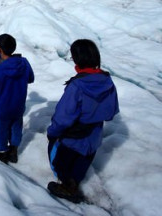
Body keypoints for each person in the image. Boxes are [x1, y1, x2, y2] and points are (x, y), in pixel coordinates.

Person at [46, 39, 119, 203]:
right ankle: (74, 182)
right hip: (93, 137)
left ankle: (67, 187)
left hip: (72, 139)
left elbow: (63, 117)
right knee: (81, 165)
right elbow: (111, 111)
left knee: (61, 164)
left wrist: (52, 133)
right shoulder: (107, 81)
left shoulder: (77, 86)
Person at [0, 34, 34, 164]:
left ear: (0, 49)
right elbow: (31, 78)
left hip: (3, 108)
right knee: (16, 127)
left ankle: (1, 151)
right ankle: (13, 150)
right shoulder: (24, 63)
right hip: (18, 106)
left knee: (1, 129)